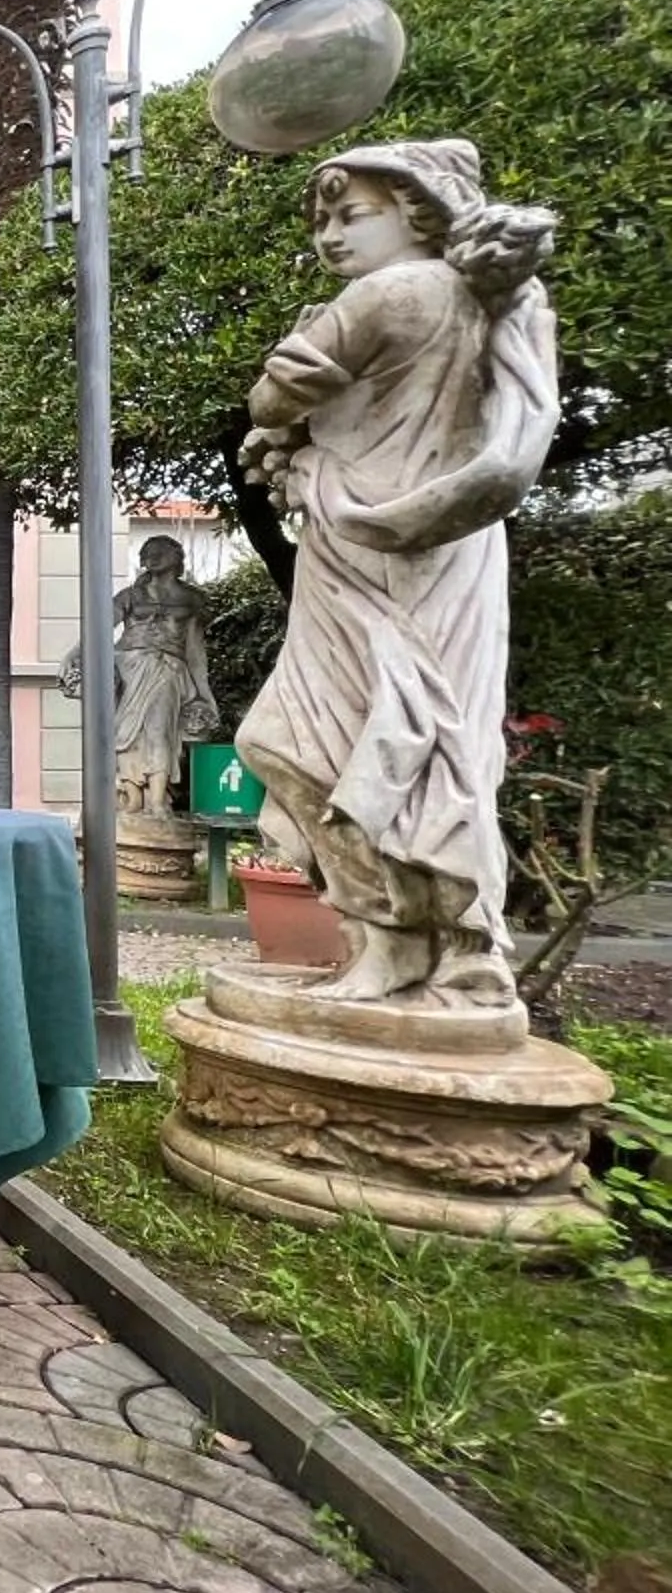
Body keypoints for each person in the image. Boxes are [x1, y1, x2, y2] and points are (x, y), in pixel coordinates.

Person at [233, 141, 557, 1007]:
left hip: (370, 547)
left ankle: (391, 941)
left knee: (308, 742)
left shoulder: (388, 294)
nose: (332, 237)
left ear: (419, 214)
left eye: (351, 214)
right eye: (324, 222)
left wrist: (287, 405)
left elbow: (273, 399)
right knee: (431, 738)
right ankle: (448, 943)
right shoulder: (502, 306)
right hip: (443, 551)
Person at [110, 537, 218, 823]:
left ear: (176, 557)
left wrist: (204, 692)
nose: (151, 554)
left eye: (160, 550)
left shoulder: (192, 600)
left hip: (167, 668)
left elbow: (195, 651)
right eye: (146, 550)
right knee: (122, 732)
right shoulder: (129, 596)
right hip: (127, 667)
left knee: (159, 730)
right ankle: (132, 795)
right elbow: (96, 628)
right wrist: (73, 656)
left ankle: (156, 801)